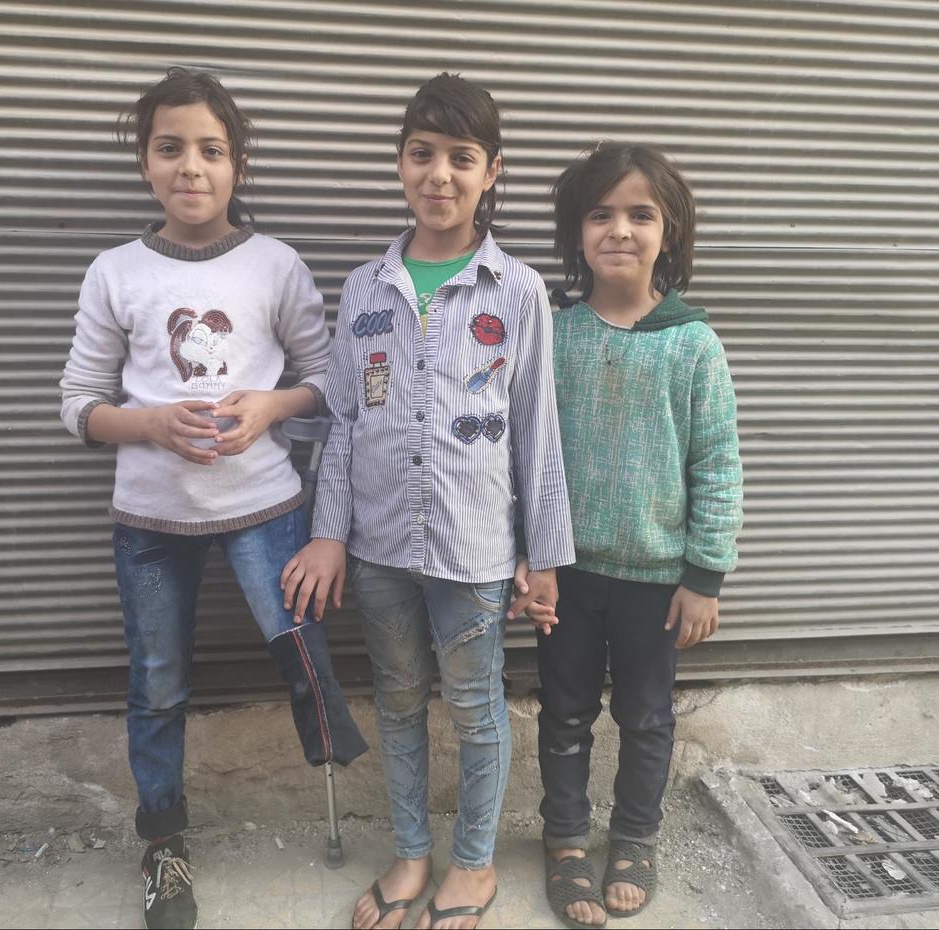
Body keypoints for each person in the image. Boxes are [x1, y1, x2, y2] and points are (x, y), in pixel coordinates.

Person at [59, 67, 367, 930]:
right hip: (151, 520)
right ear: (146, 163)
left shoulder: (275, 265)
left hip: (266, 506)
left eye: (211, 150)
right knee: (158, 684)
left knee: (300, 645)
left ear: (237, 166)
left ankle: (334, 771)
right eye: (170, 149)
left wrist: (270, 405)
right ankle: (163, 846)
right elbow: (77, 405)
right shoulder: (116, 272)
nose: (191, 167)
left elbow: (329, 379)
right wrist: (149, 425)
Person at [281, 73, 575, 930]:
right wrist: (329, 533)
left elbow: (538, 432)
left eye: (461, 158)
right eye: (422, 155)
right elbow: (342, 421)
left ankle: (474, 866)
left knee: (478, 711)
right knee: (400, 703)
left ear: (492, 173)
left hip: (475, 553)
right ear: (400, 165)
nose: (438, 175)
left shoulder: (514, 291)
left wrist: (543, 555)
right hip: (378, 554)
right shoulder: (368, 288)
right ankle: (412, 853)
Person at [518, 141, 743, 929]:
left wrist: (706, 574)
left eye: (641, 214)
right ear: (574, 233)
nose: (620, 229)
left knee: (647, 716)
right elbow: (529, 451)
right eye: (600, 213)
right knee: (565, 711)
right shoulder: (553, 335)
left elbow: (717, 464)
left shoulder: (693, 345)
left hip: (657, 581)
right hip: (570, 575)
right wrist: (532, 555)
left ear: (668, 231)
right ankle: (568, 840)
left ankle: (636, 838)